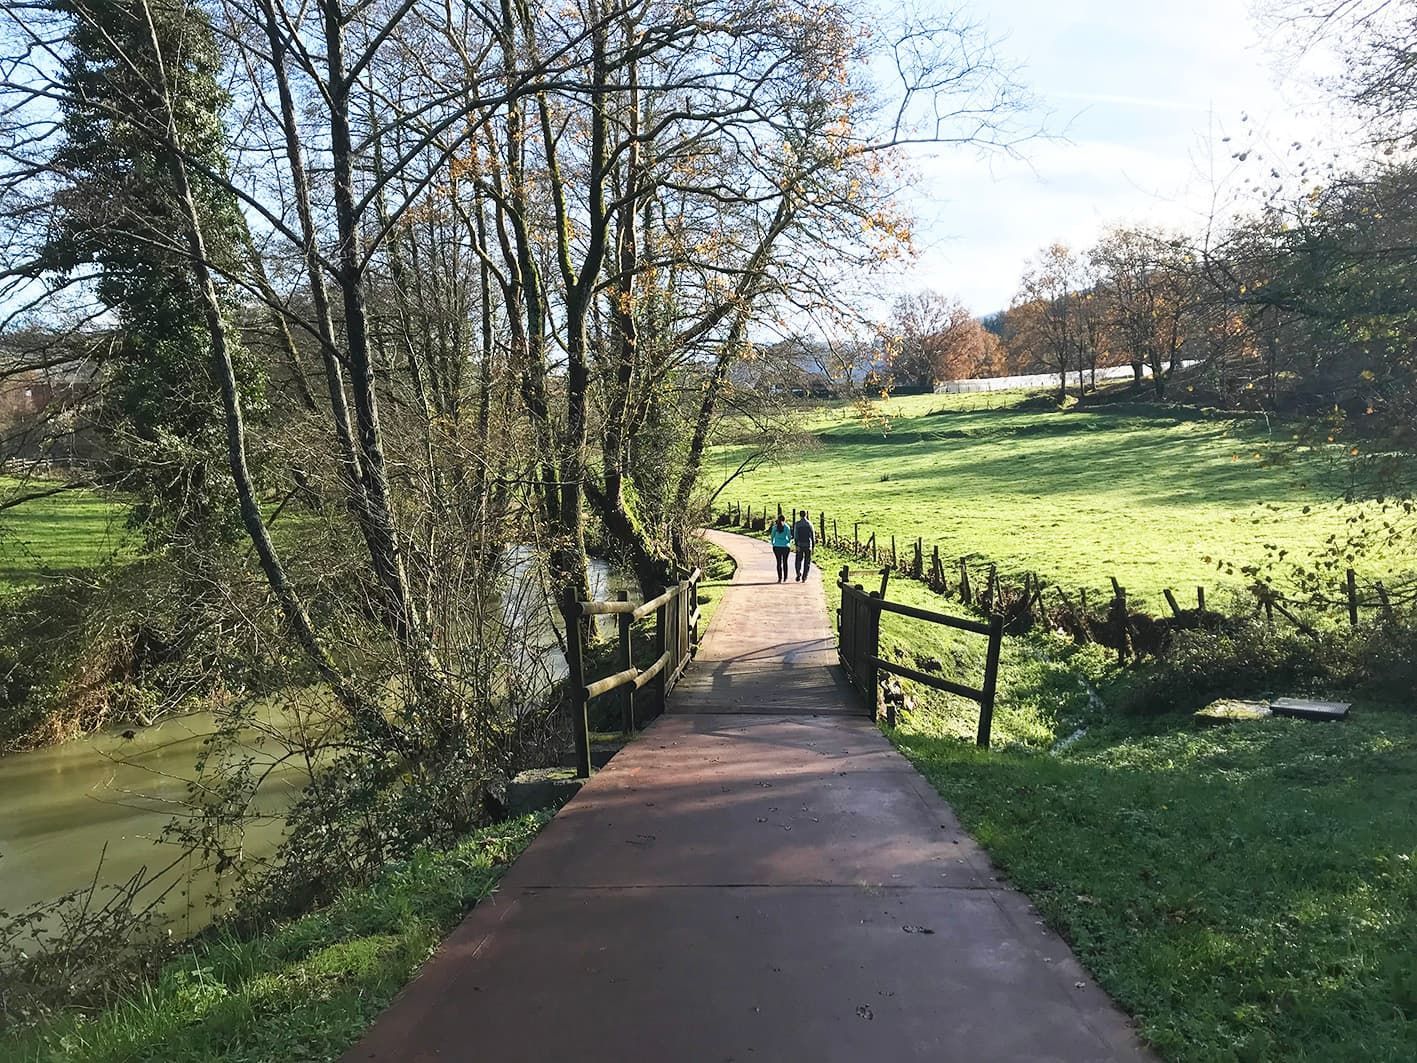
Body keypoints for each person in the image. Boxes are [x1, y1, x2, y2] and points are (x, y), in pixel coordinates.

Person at [792, 508, 815, 582]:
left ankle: (798, 573)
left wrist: (796, 544)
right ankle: (805, 576)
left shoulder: (797, 524)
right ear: (806, 515)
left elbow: (795, 535)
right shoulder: (809, 524)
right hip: (808, 545)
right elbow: (812, 535)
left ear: (800, 515)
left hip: (800, 545)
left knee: (798, 560)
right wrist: (813, 545)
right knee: (807, 561)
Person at [768, 514, 792, 582]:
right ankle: (785, 577)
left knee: (778, 562)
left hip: (777, 546)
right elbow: (789, 537)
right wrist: (788, 542)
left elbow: (772, 536)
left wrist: (773, 543)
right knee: (785, 562)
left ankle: (780, 578)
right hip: (785, 546)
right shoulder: (787, 527)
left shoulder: (775, 527)